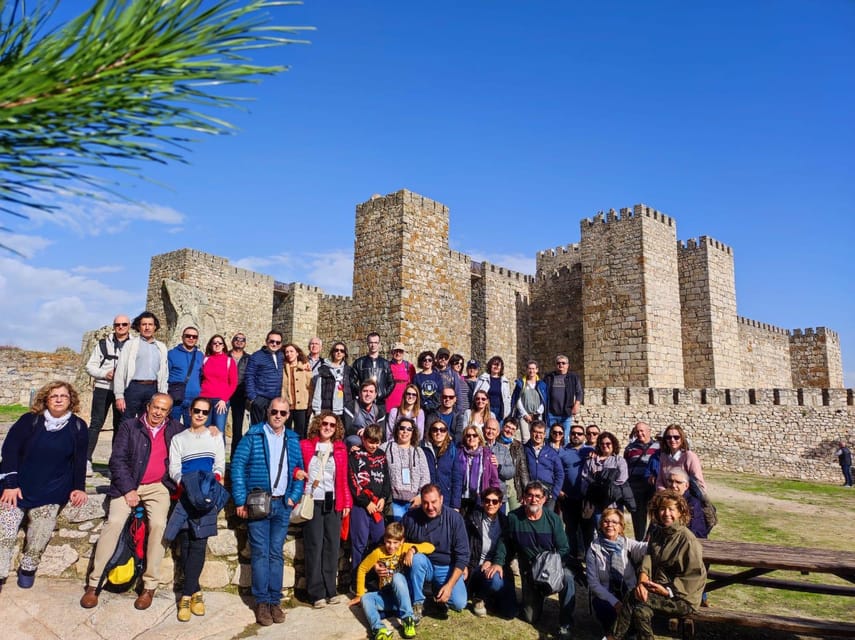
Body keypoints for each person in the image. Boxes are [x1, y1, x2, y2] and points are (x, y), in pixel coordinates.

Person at [81, 393, 183, 610]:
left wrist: (212, 432)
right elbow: (116, 460)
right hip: (129, 483)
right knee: (114, 523)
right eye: (155, 407)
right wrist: (128, 489)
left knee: (158, 526)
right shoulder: (130, 426)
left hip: (158, 486)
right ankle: (94, 583)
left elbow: (195, 435)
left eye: (163, 409)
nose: (158, 412)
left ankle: (149, 585)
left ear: (169, 412)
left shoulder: (175, 429)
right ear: (148, 406)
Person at [1, 381, 88, 591]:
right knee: (5, 528)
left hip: (51, 490)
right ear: (45, 400)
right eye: (53, 396)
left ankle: (29, 567)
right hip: (18, 488)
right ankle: (0, 571)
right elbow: (9, 451)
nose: (58, 399)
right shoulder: (29, 421)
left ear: (71, 400)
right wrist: (10, 484)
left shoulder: (78, 426)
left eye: (63, 396)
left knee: (42, 529)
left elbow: (79, 460)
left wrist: (79, 487)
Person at [231, 397, 305, 626]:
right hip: (258, 503)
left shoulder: (292, 438)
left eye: (283, 413)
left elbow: (299, 470)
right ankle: (261, 603)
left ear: (288, 415)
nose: (278, 416)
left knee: (276, 554)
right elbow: (237, 466)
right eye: (275, 412)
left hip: (282, 504)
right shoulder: (254, 435)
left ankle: (275, 601)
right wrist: (241, 500)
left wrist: (293, 497)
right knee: (261, 553)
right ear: (268, 412)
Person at [605, 490, 707, 640]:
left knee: (633, 596)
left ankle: (613, 637)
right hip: (658, 590)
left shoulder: (688, 541)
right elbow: (648, 559)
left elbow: (694, 576)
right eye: (662, 509)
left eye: (671, 509)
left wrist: (668, 591)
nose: (666, 513)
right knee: (641, 610)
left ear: (680, 512)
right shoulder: (658, 534)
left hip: (683, 598)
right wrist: (642, 582)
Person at [165, 397, 227, 621]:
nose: (200, 415)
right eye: (197, 411)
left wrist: (208, 485)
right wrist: (189, 486)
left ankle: (185, 595)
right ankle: (195, 592)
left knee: (199, 544)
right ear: (190, 411)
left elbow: (219, 464)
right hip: (184, 496)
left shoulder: (215, 436)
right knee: (185, 544)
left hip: (207, 497)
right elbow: (174, 468)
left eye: (205, 412)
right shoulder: (178, 439)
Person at [490, 481, 576, 640]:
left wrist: (548, 564)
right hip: (529, 573)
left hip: (551, 569)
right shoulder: (514, 517)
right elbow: (505, 542)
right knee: (530, 618)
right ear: (523, 498)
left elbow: (564, 548)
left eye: (538, 496)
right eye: (529, 495)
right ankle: (537, 597)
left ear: (544, 499)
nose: (533, 499)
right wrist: (498, 562)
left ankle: (565, 624)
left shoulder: (553, 519)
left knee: (568, 577)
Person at [296, 412, 352, 609]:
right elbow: (294, 466)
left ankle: (331, 589)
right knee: (314, 546)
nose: (328, 427)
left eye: (332, 425)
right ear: (318, 425)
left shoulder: (340, 449)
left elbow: (343, 478)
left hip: (333, 501)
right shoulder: (305, 445)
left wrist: (346, 503)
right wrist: (297, 472)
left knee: (331, 547)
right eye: (325, 424)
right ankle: (316, 592)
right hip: (313, 500)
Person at [351, 522, 434, 640]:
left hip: (402, 594)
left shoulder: (404, 548)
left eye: (395, 542)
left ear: (401, 541)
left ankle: (408, 620)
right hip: (387, 596)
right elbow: (362, 568)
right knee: (366, 598)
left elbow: (430, 547)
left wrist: (412, 550)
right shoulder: (378, 552)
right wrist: (359, 594)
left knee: (397, 577)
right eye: (389, 542)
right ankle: (379, 630)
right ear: (384, 539)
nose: (391, 546)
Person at [402, 483, 470, 621]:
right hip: (423, 564)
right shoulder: (411, 517)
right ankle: (418, 603)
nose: (430, 507)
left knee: (459, 603)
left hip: (446, 567)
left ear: (442, 499)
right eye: (425, 503)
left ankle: (434, 592)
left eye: (434, 502)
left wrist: (450, 586)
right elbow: (394, 540)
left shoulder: (455, 519)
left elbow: (463, 555)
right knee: (417, 559)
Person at [586, 508, 647, 634]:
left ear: (621, 527)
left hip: (628, 591)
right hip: (607, 594)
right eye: (606, 521)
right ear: (601, 524)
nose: (610, 525)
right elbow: (593, 584)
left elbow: (644, 548)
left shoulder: (627, 544)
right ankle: (611, 631)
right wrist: (615, 603)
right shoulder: (593, 549)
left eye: (614, 522)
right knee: (603, 607)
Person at [84, 314, 130, 472]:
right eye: (118, 324)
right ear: (114, 326)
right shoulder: (103, 344)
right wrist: (105, 374)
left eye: (124, 324)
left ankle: (114, 463)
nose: (121, 327)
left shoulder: (134, 345)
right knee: (96, 424)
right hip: (104, 388)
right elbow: (90, 366)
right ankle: (86, 460)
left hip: (123, 391)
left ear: (129, 326)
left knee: (120, 426)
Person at [348, 424, 392, 584]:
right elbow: (353, 481)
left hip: (378, 506)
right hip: (361, 506)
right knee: (359, 543)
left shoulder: (381, 455)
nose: (373, 446)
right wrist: (366, 503)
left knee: (378, 540)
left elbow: (387, 479)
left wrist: (383, 498)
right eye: (370, 442)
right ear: (363, 439)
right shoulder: (355, 455)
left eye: (376, 442)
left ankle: (374, 579)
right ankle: (356, 581)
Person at [464, 487, 515, 618]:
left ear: (500, 503)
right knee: (495, 581)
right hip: (474, 565)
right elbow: (463, 544)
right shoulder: (472, 518)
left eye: (494, 501)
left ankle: (489, 596)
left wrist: (492, 562)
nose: (490, 504)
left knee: (509, 613)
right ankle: (479, 597)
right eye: (487, 501)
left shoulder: (505, 522)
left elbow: (509, 550)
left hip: (494, 565)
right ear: (482, 502)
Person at [113, 311, 169, 420]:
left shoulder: (161, 347)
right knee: (126, 421)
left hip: (153, 388)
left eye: (150, 324)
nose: (147, 328)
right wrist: (119, 396)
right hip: (134, 387)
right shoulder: (130, 345)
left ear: (155, 327)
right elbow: (120, 370)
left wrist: (163, 393)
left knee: (149, 422)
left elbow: (164, 373)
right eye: (144, 324)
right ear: (139, 327)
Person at [384, 417, 430, 521]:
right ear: (397, 430)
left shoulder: (419, 452)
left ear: (413, 432)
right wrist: (358, 447)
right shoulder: (386, 447)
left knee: (412, 535)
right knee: (396, 534)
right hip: (394, 501)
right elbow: (371, 451)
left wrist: (420, 496)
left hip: (414, 502)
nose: (405, 431)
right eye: (402, 428)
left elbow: (425, 476)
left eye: (409, 429)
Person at [558, 424, 594, 558]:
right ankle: (573, 558)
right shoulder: (562, 452)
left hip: (586, 499)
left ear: (584, 436)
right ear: (569, 435)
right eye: (573, 433)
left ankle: (589, 558)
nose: (576, 436)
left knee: (587, 531)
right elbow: (557, 472)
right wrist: (560, 491)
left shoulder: (590, 451)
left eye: (579, 434)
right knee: (571, 530)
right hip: (568, 497)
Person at [581, 431, 632, 523]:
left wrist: (605, 490)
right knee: (599, 528)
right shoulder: (591, 461)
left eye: (608, 443)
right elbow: (584, 478)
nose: (605, 446)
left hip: (614, 503)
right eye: (602, 443)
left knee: (615, 530)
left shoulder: (619, 461)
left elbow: (622, 479)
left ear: (613, 444)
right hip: (596, 502)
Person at [450, 426, 500, 516]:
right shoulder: (458, 454)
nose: (471, 438)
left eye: (474, 435)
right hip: (461, 499)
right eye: (468, 435)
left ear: (479, 438)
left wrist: (493, 498)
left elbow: (494, 480)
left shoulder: (487, 455)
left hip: (480, 498)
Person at [624, 421, 659, 539]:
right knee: (638, 518)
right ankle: (639, 543)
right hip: (636, 488)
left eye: (642, 431)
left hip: (652, 488)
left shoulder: (658, 447)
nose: (639, 433)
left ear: (649, 431)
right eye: (637, 431)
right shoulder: (630, 448)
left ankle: (651, 540)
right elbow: (626, 466)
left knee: (656, 516)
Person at [199, 334, 237, 437]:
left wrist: (224, 399)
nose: (217, 345)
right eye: (214, 343)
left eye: (219, 343)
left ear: (223, 345)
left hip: (220, 401)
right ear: (211, 345)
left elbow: (233, 384)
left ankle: (219, 453)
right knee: (203, 430)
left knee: (219, 431)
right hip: (205, 399)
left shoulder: (229, 361)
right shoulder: (205, 360)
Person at [245, 330, 285, 426]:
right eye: (272, 341)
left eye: (277, 342)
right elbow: (249, 376)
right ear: (266, 341)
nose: (274, 344)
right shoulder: (257, 356)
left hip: (276, 399)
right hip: (260, 399)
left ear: (280, 344)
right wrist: (253, 398)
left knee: (273, 428)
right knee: (258, 428)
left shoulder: (282, 356)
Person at [522, 420, 564, 510]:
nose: (538, 435)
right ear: (530, 432)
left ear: (545, 434)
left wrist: (554, 494)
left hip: (547, 492)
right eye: (535, 432)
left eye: (541, 433)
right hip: (530, 490)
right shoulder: (523, 449)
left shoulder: (552, 452)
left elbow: (560, 474)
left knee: (546, 520)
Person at [167, 326, 203, 424]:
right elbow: (165, 375)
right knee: (172, 427)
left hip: (194, 399)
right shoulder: (171, 354)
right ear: (182, 337)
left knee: (190, 430)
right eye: (188, 336)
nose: (191, 338)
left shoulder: (200, 355)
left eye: (194, 337)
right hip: (176, 398)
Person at [543, 355, 583, 444]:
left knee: (565, 438)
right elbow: (542, 392)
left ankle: (563, 456)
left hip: (566, 414)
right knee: (547, 437)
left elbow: (579, 392)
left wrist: (577, 404)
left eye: (563, 363)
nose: (561, 365)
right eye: (558, 363)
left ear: (567, 365)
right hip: (551, 413)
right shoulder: (549, 377)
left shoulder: (573, 377)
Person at [654, 425, 705, 493]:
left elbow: (699, 484)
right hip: (667, 498)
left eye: (676, 437)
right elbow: (659, 481)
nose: (672, 440)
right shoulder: (663, 457)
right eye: (668, 437)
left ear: (682, 438)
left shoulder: (690, 457)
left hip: (686, 500)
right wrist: (665, 494)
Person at [350, 332, 395, 404]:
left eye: (376, 342)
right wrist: (362, 392)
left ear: (379, 344)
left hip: (380, 402)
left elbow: (392, 382)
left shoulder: (385, 363)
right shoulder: (359, 362)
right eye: (371, 342)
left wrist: (383, 394)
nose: (373, 345)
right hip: (364, 403)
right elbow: (352, 381)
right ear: (367, 343)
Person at [481, 418, 515, 512]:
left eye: (493, 429)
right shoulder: (478, 447)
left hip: (499, 497)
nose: (490, 431)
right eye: (488, 428)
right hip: (481, 496)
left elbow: (511, 472)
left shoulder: (503, 450)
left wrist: (499, 467)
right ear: (483, 429)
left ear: (498, 432)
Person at [343, 380, 388, 449]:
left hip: (372, 439)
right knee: (354, 440)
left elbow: (382, 432)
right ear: (360, 393)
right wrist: (363, 433)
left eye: (371, 391)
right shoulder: (351, 406)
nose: (368, 394)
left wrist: (367, 431)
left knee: (384, 444)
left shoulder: (379, 410)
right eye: (365, 391)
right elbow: (348, 428)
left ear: (375, 395)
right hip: (357, 438)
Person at [312, 341, 353, 416]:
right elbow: (318, 390)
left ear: (344, 354)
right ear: (332, 352)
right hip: (327, 409)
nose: (339, 352)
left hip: (344, 410)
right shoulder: (324, 369)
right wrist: (317, 410)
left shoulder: (348, 370)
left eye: (342, 351)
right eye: (336, 350)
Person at [421, 419, 458, 503]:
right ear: (430, 432)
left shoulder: (452, 451)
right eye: (435, 430)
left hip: (446, 497)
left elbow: (457, 479)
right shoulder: (423, 449)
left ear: (446, 432)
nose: (439, 432)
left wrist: (455, 505)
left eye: (442, 430)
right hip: (427, 497)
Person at [511, 360, 547, 443]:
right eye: (530, 368)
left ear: (537, 370)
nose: (532, 371)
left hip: (537, 416)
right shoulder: (521, 383)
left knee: (537, 438)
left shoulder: (541, 384)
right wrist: (525, 414)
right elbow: (518, 399)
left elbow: (544, 401)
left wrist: (537, 413)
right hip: (524, 416)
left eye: (533, 369)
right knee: (526, 439)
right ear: (527, 370)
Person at [281, 343, 312, 438]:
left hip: (302, 407)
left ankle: (300, 452)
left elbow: (310, 387)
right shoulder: (282, 368)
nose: (289, 354)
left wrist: (310, 404)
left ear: (297, 353)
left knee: (301, 433)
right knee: (286, 432)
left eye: (291, 351)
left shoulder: (305, 368)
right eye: (287, 352)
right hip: (286, 406)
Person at [499, 417, 529, 511]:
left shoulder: (518, 446)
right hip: (499, 485)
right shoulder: (495, 441)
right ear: (503, 427)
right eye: (508, 427)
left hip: (514, 485)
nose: (509, 431)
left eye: (513, 429)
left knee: (516, 516)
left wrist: (526, 492)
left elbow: (522, 470)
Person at [228, 332, 250, 457]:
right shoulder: (226, 356)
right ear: (232, 341)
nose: (239, 341)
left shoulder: (249, 358)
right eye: (237, 339)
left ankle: (234, 457)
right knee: (219, 425)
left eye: (242, 339)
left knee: (238, 427)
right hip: (225, 392)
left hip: (240, 393)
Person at [473, 356, 512, 422]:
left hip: (500, 410)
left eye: (498, 365)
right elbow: (475, 393)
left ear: (501, 367)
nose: (496, 367)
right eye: (494, 364)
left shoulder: (505, 381)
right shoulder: (483, 379)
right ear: (490, 366)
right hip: (486, 408)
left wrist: (507, 412)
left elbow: (507, 398)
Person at [386, 342, 415, 413]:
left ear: (403, 353)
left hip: (405, 402)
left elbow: (413, 385)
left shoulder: (409, 366)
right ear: (392, 352)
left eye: (400, 351)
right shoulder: (386, 366)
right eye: (396, 351)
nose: (398, 353)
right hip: (389, 402)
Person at [435, 348, 465, 415]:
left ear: (448, 360)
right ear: (436, 357)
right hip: (434, 409)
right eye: (441, 357)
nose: (443, 359)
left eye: (446, 358)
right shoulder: (431, 371)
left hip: (449, 409)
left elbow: (458, 393)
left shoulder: (452, 374)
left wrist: (459, 411)